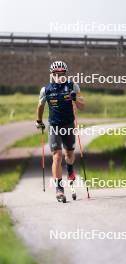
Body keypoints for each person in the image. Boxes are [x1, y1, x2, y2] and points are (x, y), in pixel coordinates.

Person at [35, 61, 85, 202]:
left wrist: (75, 99)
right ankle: (59, 189)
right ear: (51, 74)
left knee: (69, 154)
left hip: (68, 124)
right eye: (55, 74)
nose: (58, 77)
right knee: (57, 156)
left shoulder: (73, 86)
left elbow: (82, 106)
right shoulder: (46, 90)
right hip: (54, 126)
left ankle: (70, 169)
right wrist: (39, 121)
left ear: (65, 74)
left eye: (61, 74)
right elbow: (40, 106)